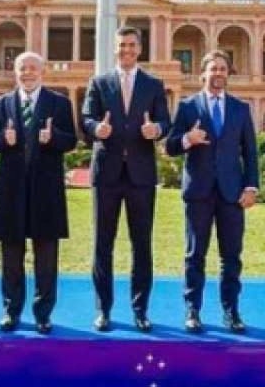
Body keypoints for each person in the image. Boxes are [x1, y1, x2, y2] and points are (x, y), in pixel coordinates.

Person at [81, 26, 170, 332]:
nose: (127, 50)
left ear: (140, 48)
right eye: (122, 45)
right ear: (115, 48)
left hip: (141, 176)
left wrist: (155, 130)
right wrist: (96, 130)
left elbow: (165, 121)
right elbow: (86, 118)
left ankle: (140, 310)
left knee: (141, 245)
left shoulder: (154, 85)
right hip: (106, 174)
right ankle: (103, 309)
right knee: (102, 244)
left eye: (132, 45)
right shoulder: (99, 82)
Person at [0, 51, 77, 334]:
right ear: (16, 73)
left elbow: (72, 140)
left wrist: (54, 138)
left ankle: (43, 313)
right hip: (11, 191)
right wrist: (3, 139)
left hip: (45, 191)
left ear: (42, 71)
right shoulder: (0, 105)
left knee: (46, 256)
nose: (27, 73)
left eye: (33, 68)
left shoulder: (58, 104)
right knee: (11, 256)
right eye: (22, 69)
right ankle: (11, 310)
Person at [165, 50, 258, 334]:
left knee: (232, 256)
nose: (218, 73)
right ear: (202, 73)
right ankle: (192, 310)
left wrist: (251, 186)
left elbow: (250, 153)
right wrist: (186, 139)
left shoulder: (241, 109)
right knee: (195, 254)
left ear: (227, 74)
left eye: (222, 69)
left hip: (232, 194)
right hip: (199, 193)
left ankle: (231, 312)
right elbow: (169, 147)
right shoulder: (187, 107)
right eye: (213, 69)